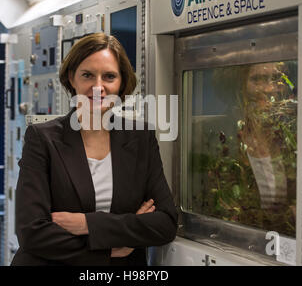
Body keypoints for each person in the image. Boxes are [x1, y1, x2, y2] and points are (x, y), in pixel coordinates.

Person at [11, 33, 178, 266]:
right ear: (72, 78)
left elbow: (165, 224)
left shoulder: (141, 139)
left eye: (109, 76)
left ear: (121, 83)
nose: (98, 87)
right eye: (88, 75)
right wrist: (112, 246)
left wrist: (86, 224)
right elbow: (32, 232)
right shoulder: (43, 139)